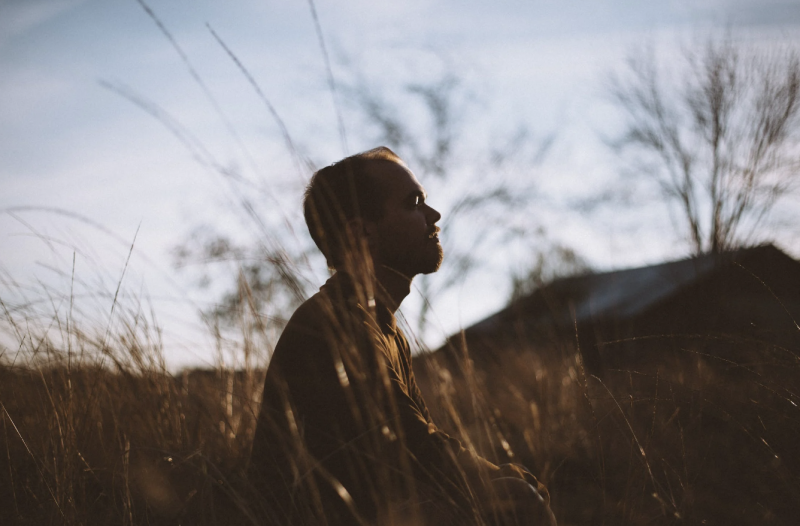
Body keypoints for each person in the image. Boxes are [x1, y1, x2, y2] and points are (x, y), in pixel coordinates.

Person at [247, 147, 555, 525]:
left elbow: (417, 442)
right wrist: (496, 480)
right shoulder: (339, 326)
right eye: (415, 203)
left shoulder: (381, 325)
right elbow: (412, 447)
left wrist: (498, 475)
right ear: (362, 233)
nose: (434, 215)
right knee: (510, 503)